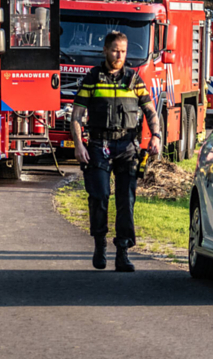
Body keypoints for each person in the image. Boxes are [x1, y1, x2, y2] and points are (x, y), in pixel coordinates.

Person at [71, 30, 162, 272]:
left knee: (126, 201)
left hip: (127, 148)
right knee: (99, 197)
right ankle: (99, 244)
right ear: (105, 51)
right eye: (114, 50)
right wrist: (79, 145)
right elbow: (77, 116)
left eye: (123, 51)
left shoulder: (134, 79)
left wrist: (156, 136)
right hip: (99, 146)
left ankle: (122, 252)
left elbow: (151, 111)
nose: (119, 55)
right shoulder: (92, 78)